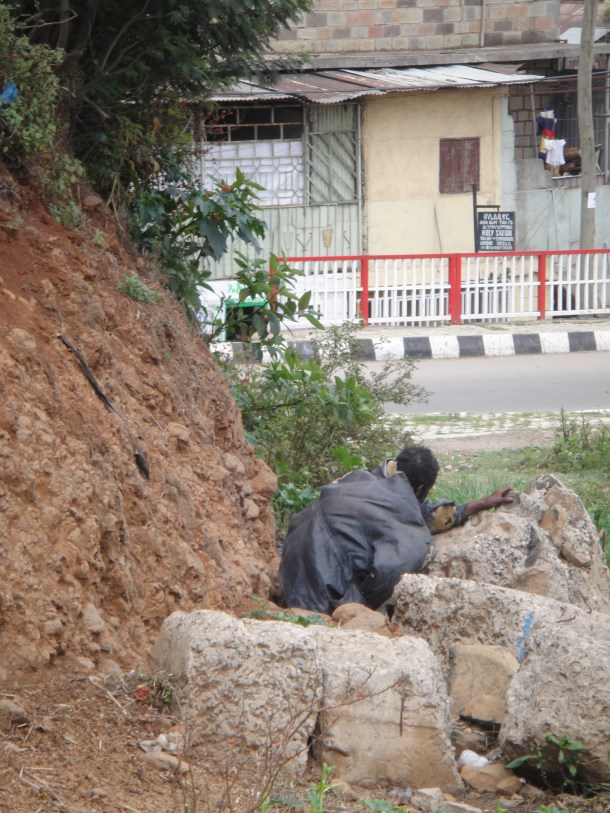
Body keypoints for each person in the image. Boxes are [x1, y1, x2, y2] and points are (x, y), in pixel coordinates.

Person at [278, 445, 514, 615]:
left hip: (290, 573)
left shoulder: (358, 478)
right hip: (320, 596)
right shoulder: (409, 524)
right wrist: (361, 605)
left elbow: (423, 513)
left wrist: (478, 504)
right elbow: (389, 571)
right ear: (420, 490)